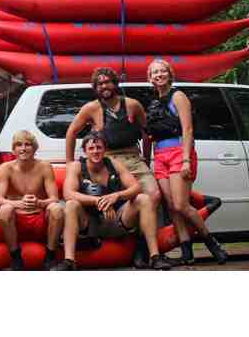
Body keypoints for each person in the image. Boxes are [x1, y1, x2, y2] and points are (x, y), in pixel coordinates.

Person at [65, 66, 161, 267]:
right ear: (95, 87)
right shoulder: (91, 108)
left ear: (115, 83)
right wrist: (69, 163)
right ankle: (96, 239)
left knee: (153, 196)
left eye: (107, 82)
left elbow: (147, 132)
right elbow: (71, 132)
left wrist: (146, 158)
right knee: (110, 201)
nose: (104, 86)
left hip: (133, 157)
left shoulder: (133, 104)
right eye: (99, 83)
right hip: (108, 158)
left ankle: (142, 249)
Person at [146, 59, 228, 264]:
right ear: (150, 77)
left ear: (169, 74)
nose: (159, 75)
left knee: (181, 204)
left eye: (162, 71)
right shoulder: (154, 102)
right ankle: (186, 252)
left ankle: (213, 244)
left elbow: (188, 129)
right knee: (172, 206)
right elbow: (150, 135)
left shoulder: (178, 96)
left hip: (179, 153)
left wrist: (185, 160)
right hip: (160, 155)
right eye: (155, 72)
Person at [56, 131, 174, 271]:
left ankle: (155, 256)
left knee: (144, 198)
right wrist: (98, 201)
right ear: (85, 151)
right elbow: (68, 194)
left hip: (116, 220)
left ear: (105, 149)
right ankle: (69, 260)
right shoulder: (77, 166)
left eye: (99, 147)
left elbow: (136, 187)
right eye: (91, 148)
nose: (95, 151)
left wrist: (116, 196)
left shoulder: (114, 164)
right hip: (89, 223)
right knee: (71, 205)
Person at [0, 130, 65, 270]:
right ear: (13, 149)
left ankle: (50, 256)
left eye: (27, 144)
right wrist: (19, 203)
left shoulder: (44, 166)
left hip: (40, 218)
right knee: (5, 209)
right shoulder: (6, 168)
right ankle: (15, 258)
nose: (23, 148)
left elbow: (54, 198)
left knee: (57, 209)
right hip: (16, 220)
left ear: (34, 148)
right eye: (19, 145)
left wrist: (39, 202)